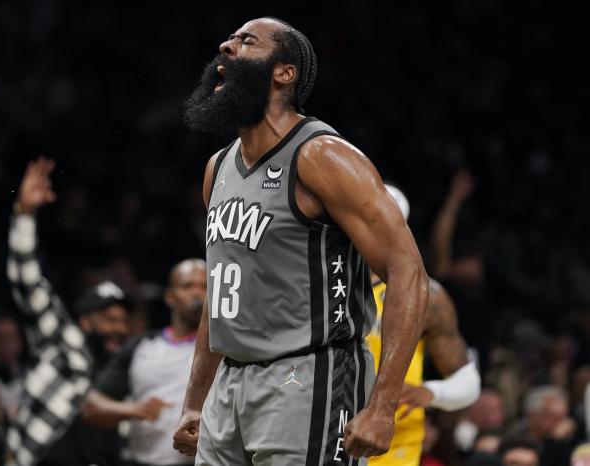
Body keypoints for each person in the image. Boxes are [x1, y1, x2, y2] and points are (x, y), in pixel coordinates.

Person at [173, 17, 429, 464]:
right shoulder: (218, 167)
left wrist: (382, 407)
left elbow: (408, 272)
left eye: (246, 41)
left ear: (284, 73)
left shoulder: (322, 155)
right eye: (229, 39)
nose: (226, 47)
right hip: (230, 384)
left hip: (309, 376)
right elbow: (222, 290)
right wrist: (195, 400)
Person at [5, 158, 130, 466]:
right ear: (85, 321)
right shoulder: (60, 337)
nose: (118, 328)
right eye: (109, 319)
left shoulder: (121, 368)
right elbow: (27, 280)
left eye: (122, 321)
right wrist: (25, 213)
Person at [366, 185, 481, 465]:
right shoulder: (317, 280)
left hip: (393, 439)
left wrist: (430, 392)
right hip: (320, 425)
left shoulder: (427, 296)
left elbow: (468, 381)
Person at [83, 258, 207, 466]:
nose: (197, 293)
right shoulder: (142, 346)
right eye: (187, 286)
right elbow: (92, 407)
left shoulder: (224, 349)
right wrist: (134, 409)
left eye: (205, 287)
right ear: (170, 296)